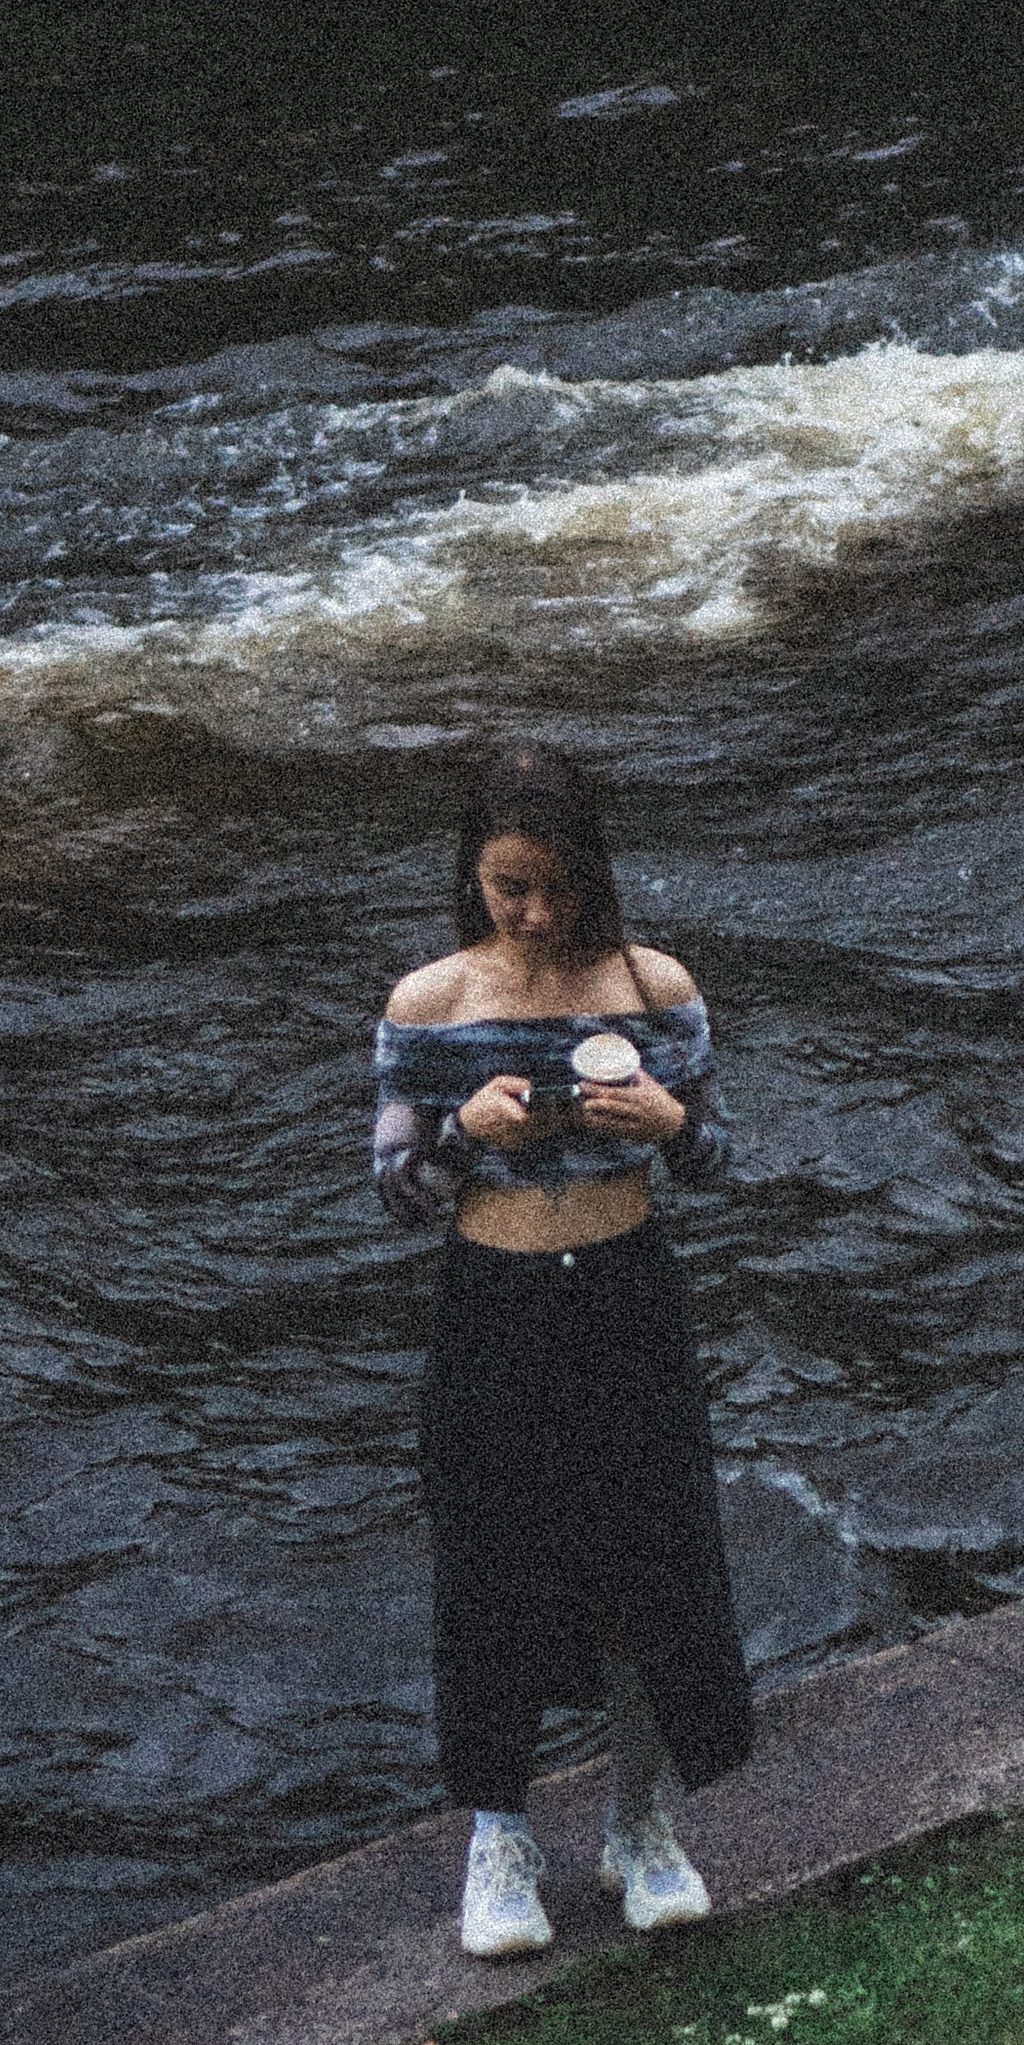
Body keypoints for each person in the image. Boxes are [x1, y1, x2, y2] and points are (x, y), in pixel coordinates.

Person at [373, 741, 752, 1960]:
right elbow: (396, 1190)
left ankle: (638, 1822)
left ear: (594, 870)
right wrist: (465, 1137)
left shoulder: (653, 985)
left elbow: (717, 1160)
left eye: (559, 886)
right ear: (472, 877)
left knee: (648, 1562)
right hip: (495, 1304)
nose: (537, 914)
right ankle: (499, 1838)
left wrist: (671, 1120)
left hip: (626, 1295)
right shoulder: (430, 1004)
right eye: (509, 888)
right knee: (494, 1572)